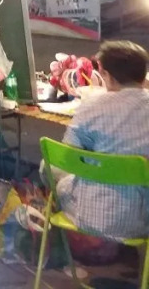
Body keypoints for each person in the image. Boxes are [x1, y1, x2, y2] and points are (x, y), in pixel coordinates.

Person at [48, 41, 149, 240]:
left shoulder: (91, 105)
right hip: (140, 221)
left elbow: (67, 157)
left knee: (48, 167)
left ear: (105, 74)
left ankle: (60, 241)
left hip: (88, 215)